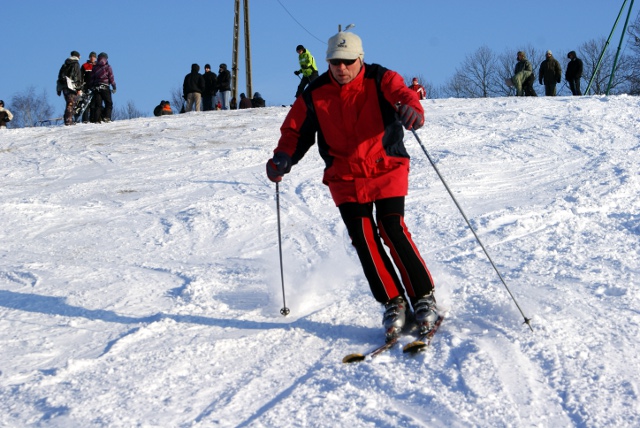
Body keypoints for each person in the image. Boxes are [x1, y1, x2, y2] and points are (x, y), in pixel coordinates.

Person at [266, 31, 438, 340]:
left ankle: (423, 296)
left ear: (359, 59)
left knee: (391, 227)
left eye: (347, 62)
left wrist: (413, 109)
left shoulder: (379, 78)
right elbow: (295, 131)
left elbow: (404, 94)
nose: (341, 68)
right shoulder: (315, 92)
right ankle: (392, 300)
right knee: (362, 236)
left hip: (385, 166)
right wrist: (283, 156)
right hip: (345, 175)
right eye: (335, 62)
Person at [56, 50, 83, 125]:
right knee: (71, 103)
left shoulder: (65, 64)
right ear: (77, 56)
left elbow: (59, 76)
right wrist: (78, 88)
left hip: (64, 87)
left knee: (68, 103)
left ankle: (67, 119)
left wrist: (58, 89)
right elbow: (77, 77)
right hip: (71, 86)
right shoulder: (76, 64)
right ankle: (68, 120)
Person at [89, 52, 116, 123]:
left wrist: (91, 86)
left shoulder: (95, 67)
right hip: (105, 87)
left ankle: (97, 119)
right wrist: (114, 86)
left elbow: (92, 78)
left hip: (96, 88)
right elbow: (111, 77)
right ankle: (107, 117)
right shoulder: (108, 67)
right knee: (108, 103)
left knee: (98, 105)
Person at [80, 52, 97, 122]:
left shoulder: (98, 66)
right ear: (89, 57)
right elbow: (81, 76)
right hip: (86, 87)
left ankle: (93, 119)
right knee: (85, 103)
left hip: (95, 87)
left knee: (94, 104)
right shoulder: (85, 65)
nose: (92, 58)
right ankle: (85, 119)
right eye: (91, 57)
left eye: (93, 57)